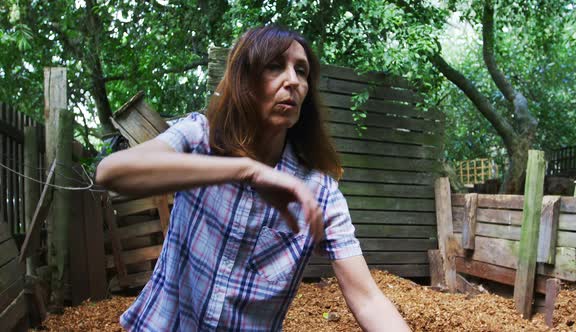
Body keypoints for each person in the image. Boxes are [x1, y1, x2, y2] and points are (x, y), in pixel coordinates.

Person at [96, 25, 411, 332]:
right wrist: (247, 171)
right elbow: (112, 172)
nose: (293, 81)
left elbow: (367, 299)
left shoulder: (319, 192)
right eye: (275, 67)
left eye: (301, 72)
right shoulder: (199, 138)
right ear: (245, 81)